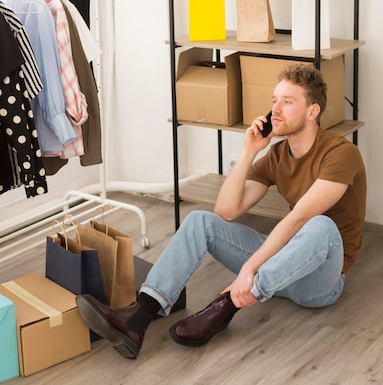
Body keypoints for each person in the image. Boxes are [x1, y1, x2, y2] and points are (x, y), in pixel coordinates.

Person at [76, 63, 366, 360]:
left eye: (287, 102)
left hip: (319, 281)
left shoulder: (341, 153)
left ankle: (227, 305)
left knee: (319, 225)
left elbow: (299, 219)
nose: (275, 110)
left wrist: (249, 271)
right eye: (274, 101)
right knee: (201, 220)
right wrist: (250, 150)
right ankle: (138, 316)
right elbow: (226, 210)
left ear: (312, 111)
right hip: (280, 269)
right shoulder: (277, 154)